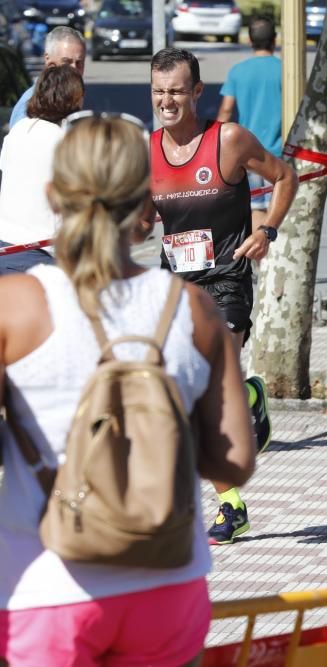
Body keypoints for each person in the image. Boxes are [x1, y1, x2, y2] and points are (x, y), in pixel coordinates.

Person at [0, 115, 255, 665]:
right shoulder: (193, 309)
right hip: (169, 584)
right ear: (146, 206)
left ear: (52, 197)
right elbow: (233, 465)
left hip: (48, 587)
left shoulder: (14, 307)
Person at [141, 48, 297, 544]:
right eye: (159, 91)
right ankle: (232, 506)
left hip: (226, 279)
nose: (167, 101)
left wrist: (268, 230)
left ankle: (245, 394)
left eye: (177, 91)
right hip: (176, 287)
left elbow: (285, 176)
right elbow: (144, 224)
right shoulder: (147, 151)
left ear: (196, 92)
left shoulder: (226, 140)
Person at [0, 65, 83, 274]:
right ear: (71, 100)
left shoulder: (18, 131)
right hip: (43, 255)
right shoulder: (63, 141)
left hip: (5, 248)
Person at [217, 17, 282, 230]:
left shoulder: (238, 71)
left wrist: (213, 143)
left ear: (250, 41)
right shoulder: (285, 70)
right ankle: (277, 260)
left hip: (249, 152)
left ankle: (260, 261)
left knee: (257, 208)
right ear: (274, 39)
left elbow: (226, 110)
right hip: (279, 153)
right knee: (279, 209)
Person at [8, 27, 86, 128]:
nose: (75, 69)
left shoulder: (71, 99)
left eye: (79, 63)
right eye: (66, 62)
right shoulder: (30, 107)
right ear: (49, 61)